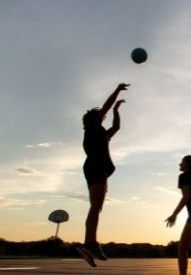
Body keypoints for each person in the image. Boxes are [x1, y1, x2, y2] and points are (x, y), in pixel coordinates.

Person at [76, 83, 129, 267]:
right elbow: (105, 105)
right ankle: (90, 243)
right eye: (101, 114)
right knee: (95, 206)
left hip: (96, 168)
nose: (103, 115)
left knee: (96, 207)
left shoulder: (100, 134)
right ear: (93, 119)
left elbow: (116, 127)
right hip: (96, 167)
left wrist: (116, 110)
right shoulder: (92, 128)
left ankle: (89, 244)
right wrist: (117, 90)